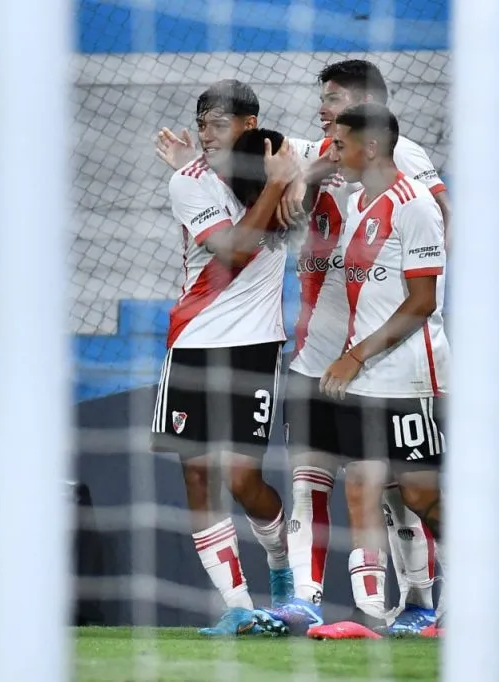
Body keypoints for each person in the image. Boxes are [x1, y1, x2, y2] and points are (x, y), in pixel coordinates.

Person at [156, 60, 449, 635]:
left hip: (386, 353)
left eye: (334, 99)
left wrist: (426, 299)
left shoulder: (401, 162)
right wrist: (209, 161)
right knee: (314, 474)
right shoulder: (314, 153)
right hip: (319, 352)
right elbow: (256, 150)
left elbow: (437, 229)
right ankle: (307, 599)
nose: (322, 109)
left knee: (400, 487)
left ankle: (420, 601)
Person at [150, 79, 299, 636]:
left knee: (242, 479)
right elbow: (233, 248)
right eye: (202, 121)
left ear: (248, 123)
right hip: (192, 343)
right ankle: (238, 607)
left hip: (254, 346)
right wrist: (277, 185)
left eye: (218, 123)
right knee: (196, 476)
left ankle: (282, 572)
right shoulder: (188, 183)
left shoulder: (282, 156)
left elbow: (341, 157)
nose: (207, 132)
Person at [306, 103, 448, 639]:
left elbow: (422, 302)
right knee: (361, 484)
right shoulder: (362, 203)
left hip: (411, 375)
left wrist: (355, 354)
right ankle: (369, 613)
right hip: (364, 375)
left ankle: (465, 597)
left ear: (369, 147)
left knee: (419, 495)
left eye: (339, 145)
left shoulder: (414, 207)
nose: (333, 153)